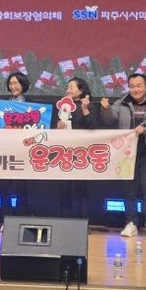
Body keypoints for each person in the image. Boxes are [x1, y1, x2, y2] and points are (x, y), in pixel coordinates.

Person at [100, 73, 146, 240]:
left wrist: (145, 128)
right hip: (127, 155)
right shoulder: (122, 103)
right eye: (132, 86)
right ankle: (131, 223)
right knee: (129, 192)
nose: (135, 89)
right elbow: (109, 119)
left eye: (139, 86)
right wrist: (105, 109)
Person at [56, 77, 101, 219]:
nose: (68, 90)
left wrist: (85, 109)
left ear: (81, 90)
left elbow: (94, 126)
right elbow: (57, 129)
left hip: (82, 154)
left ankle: (83, 220)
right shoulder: (64, 106)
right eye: (67, 87)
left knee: (81, 188)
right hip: (65, 153)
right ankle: (65, 220)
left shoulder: (88, 105)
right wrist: (58, 126)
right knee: (64, 188)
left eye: (71, 87)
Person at [0, 71, 32, 218]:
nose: (13, 86)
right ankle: (5, 216)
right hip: (5, 149)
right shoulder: (3, 104)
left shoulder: (32, 104)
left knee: (22, 186)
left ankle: (22, 216)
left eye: (16, 83)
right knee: (5, 186)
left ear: (23, 85)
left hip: (24, 150)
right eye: (11, 83)